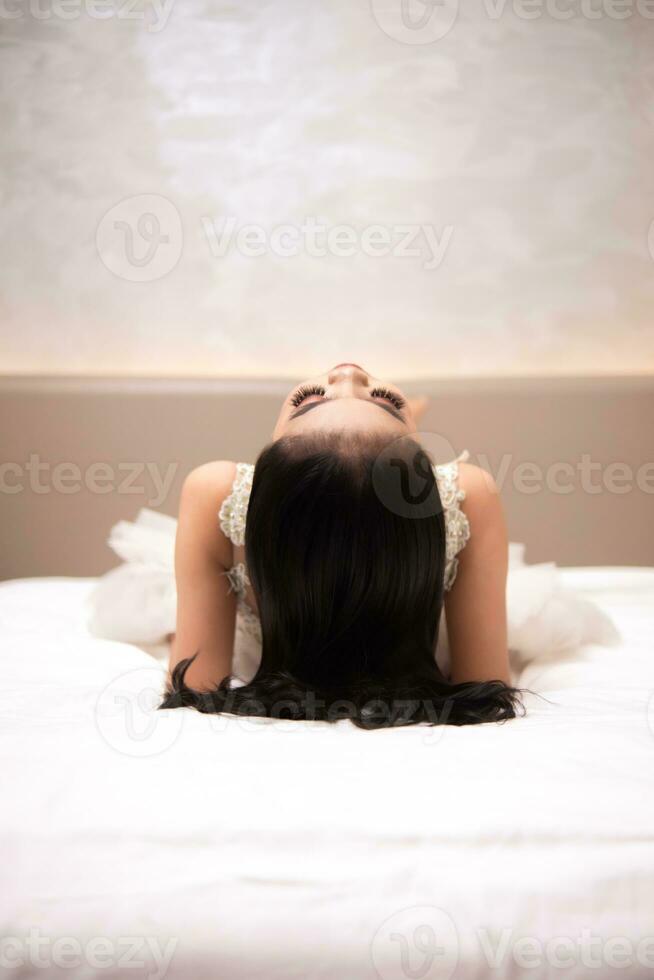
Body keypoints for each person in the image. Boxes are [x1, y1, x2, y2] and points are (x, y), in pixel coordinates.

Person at [88, 363, 616, 729]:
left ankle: (394, 432)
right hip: (293, 618)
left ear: (264, 480)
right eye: (385, 401)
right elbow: (195, 690)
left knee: (356, 469)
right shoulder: (468, 489)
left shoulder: (218, 490)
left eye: (307, 401)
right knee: (356, 468)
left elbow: (194, 683)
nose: (348, 372)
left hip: (398, 616)